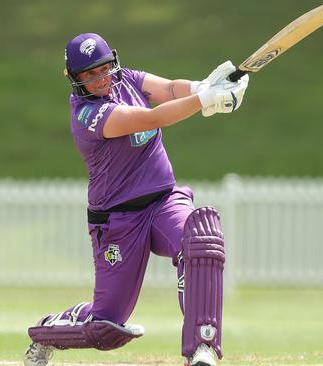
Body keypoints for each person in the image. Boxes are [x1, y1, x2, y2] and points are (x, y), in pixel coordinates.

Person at [23, 33, 248, 366]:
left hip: (162, 201)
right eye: (89, 75)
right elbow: (151, 118)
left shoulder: (126, 78)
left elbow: (170, 89)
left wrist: (204, 85)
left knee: (200, 236)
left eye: (103, 69)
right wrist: (206, 100)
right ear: (74, 78)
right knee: (106, 328)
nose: (101, 79)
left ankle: (203, 348)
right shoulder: (87, 116)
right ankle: (47, 331)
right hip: (118, 222)